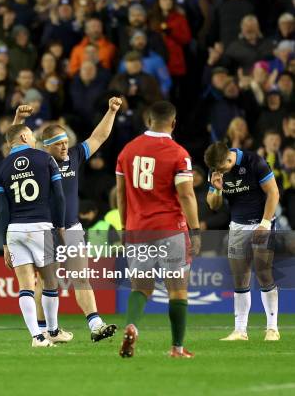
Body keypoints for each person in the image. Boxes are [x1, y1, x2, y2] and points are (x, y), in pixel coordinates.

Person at [116, 101, 201, 358]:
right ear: (173, 123)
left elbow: (121, 194)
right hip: (170, 230)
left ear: (148, 121)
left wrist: (124, 226)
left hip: (137, 229)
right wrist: (195, 230)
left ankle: (131, 325)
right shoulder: (178, 154)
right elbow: (186, 195)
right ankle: (176, 348)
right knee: (177, 288)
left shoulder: (127, 151)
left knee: (140, 287)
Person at [32, 97, 122, 342]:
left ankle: (95, 325)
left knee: (81, 277)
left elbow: (98, 137)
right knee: (46, 282)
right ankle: (43, 331)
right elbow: (11, 150)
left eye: (65, 142)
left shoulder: (74, 155)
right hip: (45, 229)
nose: (64, 147)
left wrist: (111, 111)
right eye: (58, 144)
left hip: (71, 227)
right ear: (46, 146)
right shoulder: (36, 163)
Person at [0, 120, 68, 347]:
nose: (35, 139)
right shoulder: (45, 159)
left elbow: (2, 209)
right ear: (24, 137)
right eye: (33, 136)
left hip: (15, 230)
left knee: (26, 285)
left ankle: (36, 336)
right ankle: (52, 330)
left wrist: (5, 243)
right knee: (49, 281)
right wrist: (61, 227)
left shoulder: (0, 168)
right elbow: (59, 197)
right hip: (41, 227)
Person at [204, 142, 280, 341]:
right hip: (237, 226)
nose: (219, 171)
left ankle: (272, 329)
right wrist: (218, 189)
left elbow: (273, 193)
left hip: (261, 222)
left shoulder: (254, 162)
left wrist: (264, 224)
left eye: (222, 168)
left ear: (229, 159)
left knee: (263, 273)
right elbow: (213, 205)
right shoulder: (216, 169)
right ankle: (240, 331)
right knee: (239, 278)